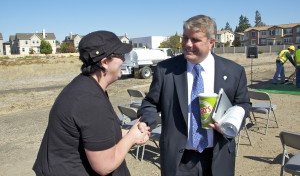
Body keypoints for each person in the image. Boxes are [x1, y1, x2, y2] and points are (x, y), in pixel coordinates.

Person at [137, 15, 250, 176]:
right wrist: (146, 121)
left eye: (195, 40)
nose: (187, 44)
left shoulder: (234, 71)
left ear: (211, 42)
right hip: (179, 160)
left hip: (217, 157)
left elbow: (244, 104)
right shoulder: (165, 70)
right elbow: (150, 102)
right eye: (185, 38)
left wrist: (232, 121)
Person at [33, 31, 150, 176]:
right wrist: (132, 137)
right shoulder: (89, 101)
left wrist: (130, 134)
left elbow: (97, 134)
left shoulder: (86, 86)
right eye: (120, 55)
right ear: (105, 62)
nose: (124, 59)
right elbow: (105, 165)